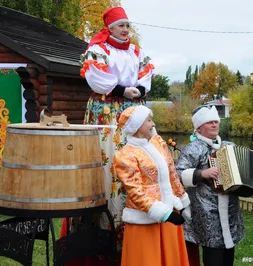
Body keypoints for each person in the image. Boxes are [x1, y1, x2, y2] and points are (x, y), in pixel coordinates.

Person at [60, 6, 154, 265]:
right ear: (110, 28)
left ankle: (134, 220)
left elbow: (146, 74)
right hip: (106, 110)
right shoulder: (97, 49)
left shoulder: (136, 51)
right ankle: (101, 230)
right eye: (121, 26)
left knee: (135, 159)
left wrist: (138, 90)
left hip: (133, 109)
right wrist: (122, 89)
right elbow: (97, 77)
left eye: (127, 25)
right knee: (106, 162)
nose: (125, 30)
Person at [175, 105, 253, 266]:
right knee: (213, 254)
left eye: (216, 122)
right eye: (209, 122)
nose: (214, 125)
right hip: (207, 213)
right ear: (198, 128)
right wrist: (201, 174)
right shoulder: (193, 148)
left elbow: (246, 169)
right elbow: (177, 173)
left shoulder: (229, 145)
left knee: (228, 255)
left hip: (231, 210)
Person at [113, 105, 190, 266]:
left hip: (169, 217)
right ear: (137, 125)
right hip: (145, 223)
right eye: (149, 120)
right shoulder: (125, 155)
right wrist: (164, 214)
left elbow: (171, 173)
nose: (153, 124)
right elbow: (136, 192)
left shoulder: (156, 144)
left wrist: (182, 202)